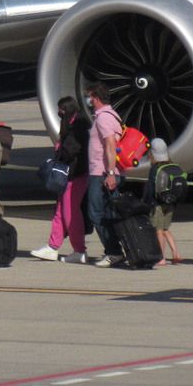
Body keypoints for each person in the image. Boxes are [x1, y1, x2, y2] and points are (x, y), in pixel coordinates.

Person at [31, 95, 90, 264]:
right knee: (60, 211)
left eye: (62, 110)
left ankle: (79, 250)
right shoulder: (73, 124)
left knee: (70, 211)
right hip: (70, 175)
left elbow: (70, 150)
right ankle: (53, 246)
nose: (59, 113)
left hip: (76, 174)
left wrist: (59, 152)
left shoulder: (78, 126)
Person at [85, 81, 125, 268]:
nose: (89, 100)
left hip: (102, 173)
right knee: (112, 213)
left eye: (91, 97)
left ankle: (113, 252)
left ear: (97, 98)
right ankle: (120, 249)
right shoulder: (111, 115)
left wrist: (109, 173)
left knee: (96, 213)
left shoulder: (103, 118)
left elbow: (110, 146)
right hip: (104, 172)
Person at [143, 138, 181, 267]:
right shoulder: (172, 166)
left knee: (158, 230)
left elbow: (150, 189)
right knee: (166, 229)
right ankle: (176, 253)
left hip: (157, 204)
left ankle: (161, 257)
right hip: (170, 203)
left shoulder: (155, 169)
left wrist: (145, 203)